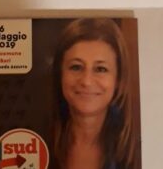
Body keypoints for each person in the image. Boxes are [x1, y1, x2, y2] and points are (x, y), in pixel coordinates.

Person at [51, 18, 135, 169]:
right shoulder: (34, 140)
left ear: (118, 79)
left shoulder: (136, 148)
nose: (86, 81)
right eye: (76, 67)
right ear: (60, 74)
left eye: (100, 69)